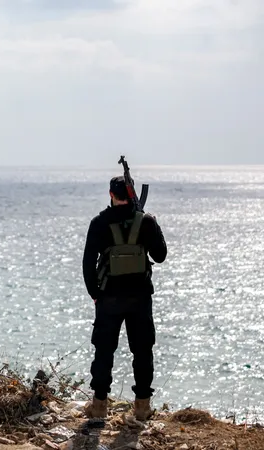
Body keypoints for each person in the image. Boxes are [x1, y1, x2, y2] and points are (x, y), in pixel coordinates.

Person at [82, 176, 167, 420]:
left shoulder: (99, 222)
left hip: (109, 297)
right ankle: (142, 407)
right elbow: (160, 256)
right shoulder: (146, 221)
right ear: (132, 194)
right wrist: (155, 225)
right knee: (142, 351)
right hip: (140, 297)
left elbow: (88, 263)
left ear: (111, 194)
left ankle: (99, 406)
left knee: (104, 351)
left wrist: (95, 294)